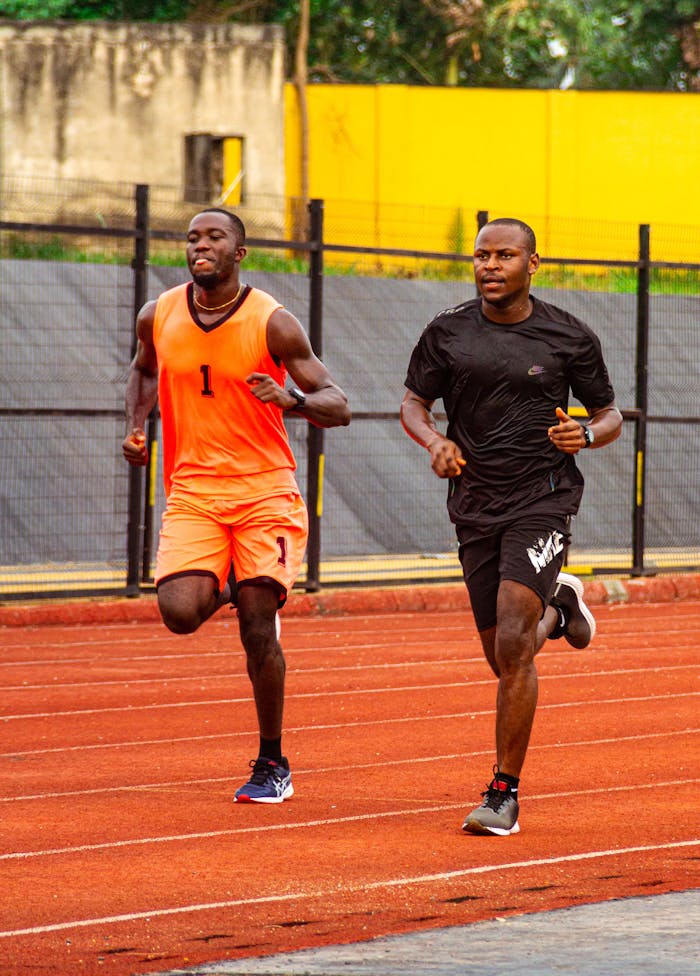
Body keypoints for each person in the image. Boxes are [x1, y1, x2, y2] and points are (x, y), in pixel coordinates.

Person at [400, 217, 622, 836]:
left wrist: (584, 433)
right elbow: (413, 403)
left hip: (543, 497)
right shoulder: (446, 331)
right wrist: (432, 441)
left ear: (533, 262)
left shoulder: (567, 336)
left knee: (515, 641)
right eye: (480, 256)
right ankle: (565, 604)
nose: (490, 265)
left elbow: (609, 416)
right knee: (504, 655)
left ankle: (503, 794)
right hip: (473, 502)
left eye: (504, 255)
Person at [122, 207, 351, 803]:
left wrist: (290, 398)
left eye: (214, 237)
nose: (200, 245)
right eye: (193, 237)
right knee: (178, 611)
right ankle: (233, 581)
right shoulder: (158, 314)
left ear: (239, 253)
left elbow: (338, 404)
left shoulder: (272, 323)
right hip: (194, 491)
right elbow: (144, 371)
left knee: (258, 627)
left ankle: (272, 762)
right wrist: (136, 427)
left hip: (264, 491)